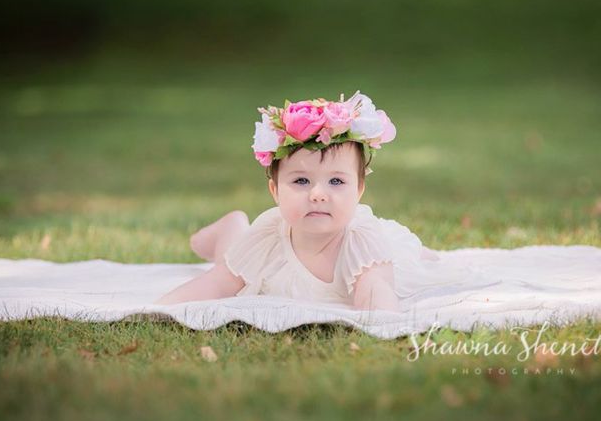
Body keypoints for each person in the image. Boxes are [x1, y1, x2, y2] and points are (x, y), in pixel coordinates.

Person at [154, 91, 441, 311]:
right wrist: (157, 308)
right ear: (275, 190)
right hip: (267, 247)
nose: (318, 194)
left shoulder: (362, 241)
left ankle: (420, 251)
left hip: (386, 252)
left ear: (359, 191)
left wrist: (380, 316)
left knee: (419, 257)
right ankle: (230, 227)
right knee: (234, 266)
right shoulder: (265, 239)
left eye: (337, 181)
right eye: (301, 181)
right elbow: (218, 283)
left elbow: (375, 296)